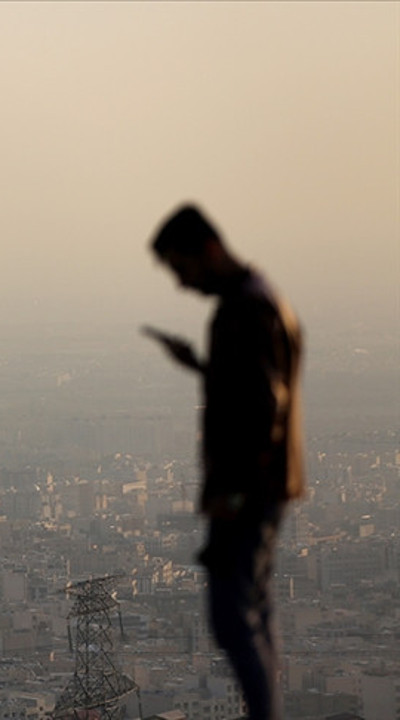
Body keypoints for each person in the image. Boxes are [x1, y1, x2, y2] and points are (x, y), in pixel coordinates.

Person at [145, 203, 304, 720]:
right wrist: (203, 367)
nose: (183, 284)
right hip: (262, 485)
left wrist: (234, 498)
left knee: (233, 618)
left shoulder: (244, 311)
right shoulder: (263, 299)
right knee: (253, 610)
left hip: (247, 490)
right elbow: (253, 389)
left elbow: (263, 409)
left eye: (182, 268)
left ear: (209, 250)